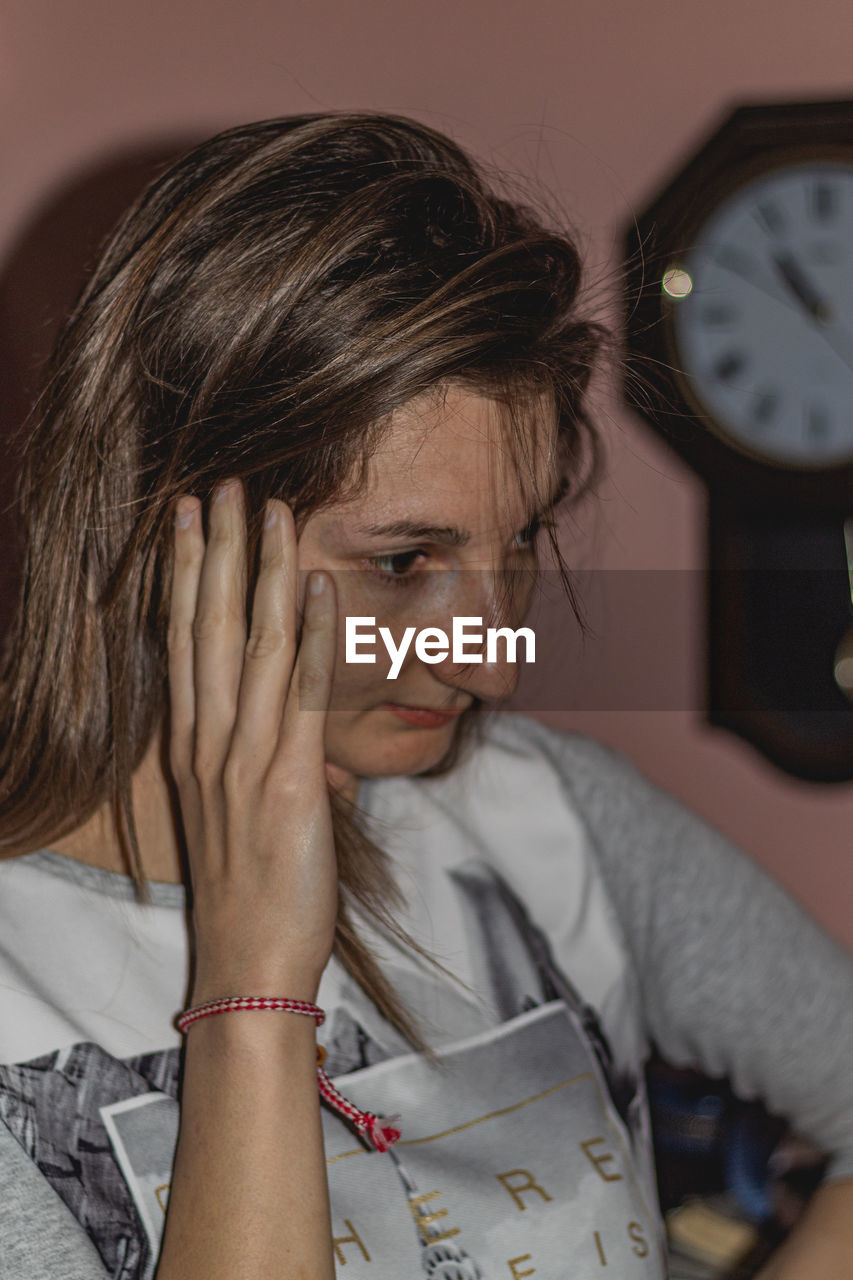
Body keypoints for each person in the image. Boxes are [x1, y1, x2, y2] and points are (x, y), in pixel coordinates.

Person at [0, 112, 851, 1280]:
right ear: (158, 533)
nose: (492, 663)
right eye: (402, 563)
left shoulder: (542, 814)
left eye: (520, 541)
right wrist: (253, 988)